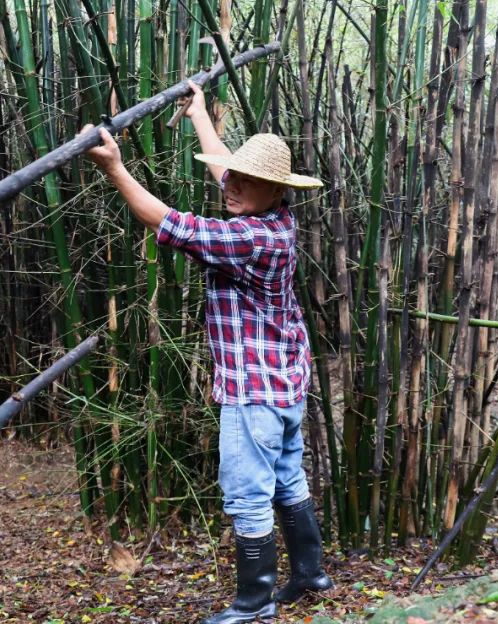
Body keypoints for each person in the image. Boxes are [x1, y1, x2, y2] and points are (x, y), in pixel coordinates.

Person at [83, 81, 333, 623]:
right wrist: (200, 114)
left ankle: (253, 604)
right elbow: (224, 165)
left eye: (249, 180)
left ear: (275, 190)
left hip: (255, 388)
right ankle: (311, 573)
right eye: (236, 176)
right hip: (286, 382)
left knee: (248, 494)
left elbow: (168, 223)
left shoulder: (251, 238)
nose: (233, 184)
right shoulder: (273, 214)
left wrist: (115, 169)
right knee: (288, 480)